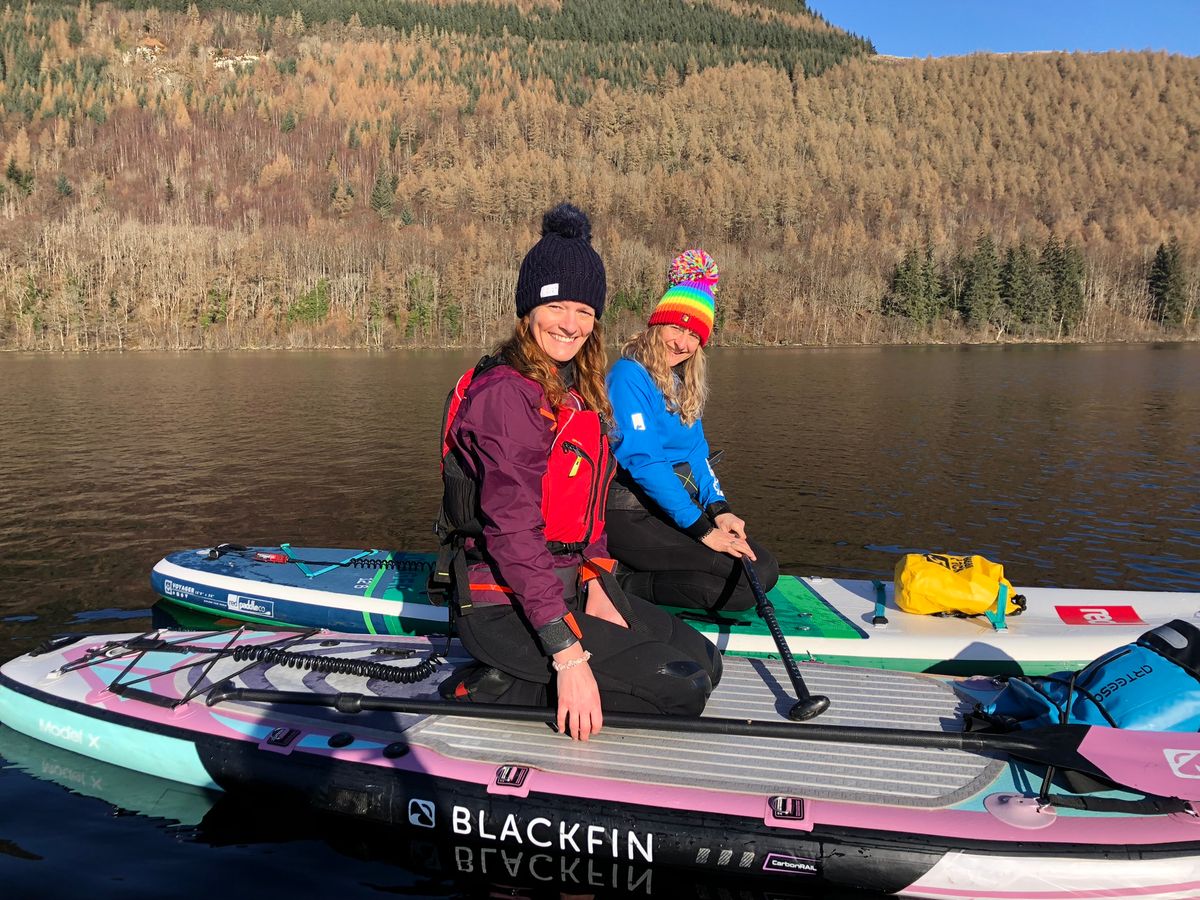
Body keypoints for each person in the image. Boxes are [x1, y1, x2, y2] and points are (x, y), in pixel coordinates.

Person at [432, 205, 722, 741]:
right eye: (556, 305)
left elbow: (587, 514)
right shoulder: (505, 396)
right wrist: (568, 656)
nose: (571, 323)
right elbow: (514, 532)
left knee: (705, 662)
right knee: (679, 689)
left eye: (584, 310)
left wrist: (597, 582)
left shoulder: (576, 391)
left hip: (563, 586)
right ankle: (495, 684)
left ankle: (548, 659)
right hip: (502, 605)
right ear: (528, 309)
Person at [605, 249, 780, 612]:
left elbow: (696, 455)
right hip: (628, 514)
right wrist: (703, 530)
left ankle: (635, 576)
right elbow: (645, 463)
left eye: (693, 335)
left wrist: (720, 510)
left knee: (762, 567)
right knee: (750, 580)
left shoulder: (679, 383)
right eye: (676, 327)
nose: (682, 343)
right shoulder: (628, 376)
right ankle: (622, 581)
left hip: (664, 510)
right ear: (657, 325)